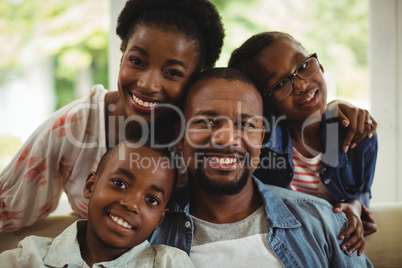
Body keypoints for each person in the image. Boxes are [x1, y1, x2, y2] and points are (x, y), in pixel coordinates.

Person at [0, 0, 224, 232]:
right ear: (122, 56)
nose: (147, 84)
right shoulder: (75, 125)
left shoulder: (202, 137)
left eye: (173, 73)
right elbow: (7, 208)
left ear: (196, 80)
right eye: (136, 61)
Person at [149, 67, 373, 267]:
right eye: (205, 122)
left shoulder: (323, 221)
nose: (227, 138)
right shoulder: (146, 228)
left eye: (246, 124)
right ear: (180, 133)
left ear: (262, 136)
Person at [228, 31, 378, 256]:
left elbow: (361, 191)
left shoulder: (357, 134)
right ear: (263, 104)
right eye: (279, 84)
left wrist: (354, 207)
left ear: (320, 65)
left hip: (336, 245)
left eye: (303, 66)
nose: (300, 85)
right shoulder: (260, 146)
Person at [0, 141, 195, 267]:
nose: (132, 204)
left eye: (151, 200)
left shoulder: (169, 263)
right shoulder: (28, 258)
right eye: (120, 184)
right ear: (90, 185)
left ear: (160, 218)